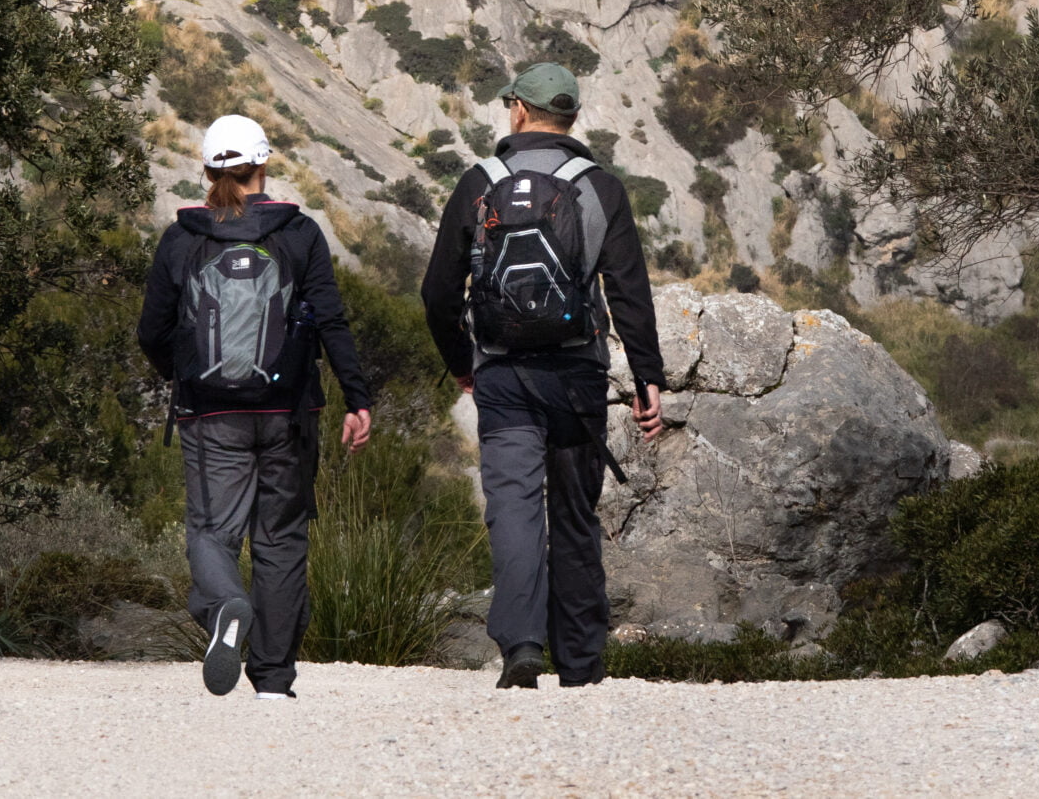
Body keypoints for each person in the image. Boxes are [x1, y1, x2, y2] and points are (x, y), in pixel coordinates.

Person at [421, 63, 664, 690]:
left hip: (503, 376)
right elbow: (629, 289)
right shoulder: (599, 187)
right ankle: (582, 664)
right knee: (576, 517)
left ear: (521, 112)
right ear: (572, 119)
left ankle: (523, 648)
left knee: (515, 511)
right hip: (578, 378)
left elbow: (438, 291)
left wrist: (462, 362)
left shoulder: (480, 183)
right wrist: (647, 379)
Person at [138, 113, 373, 699]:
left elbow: (151, 331)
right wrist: (357, 396)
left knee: (213, 533)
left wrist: (186, 377)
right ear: (265, 165)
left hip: (209, 414)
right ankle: (273, 679)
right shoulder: (299, 234)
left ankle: (225, 605)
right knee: (282, 539)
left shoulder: (183, 238)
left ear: (207, 170)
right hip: (290, 412)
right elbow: (332, 321)